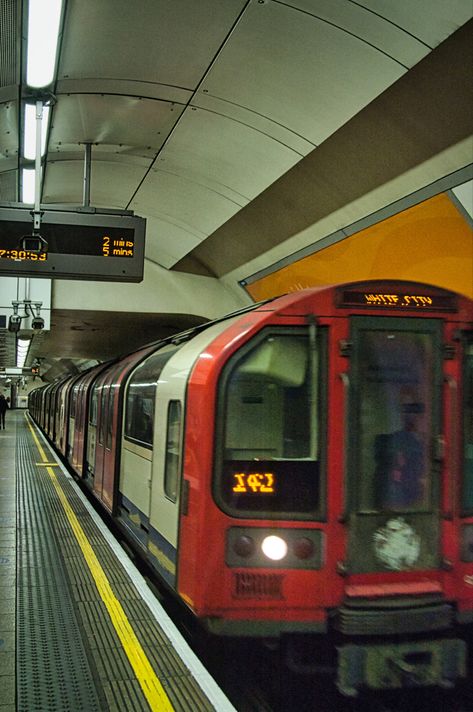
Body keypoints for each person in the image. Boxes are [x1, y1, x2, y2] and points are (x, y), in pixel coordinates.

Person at [374, 402, 426, 509]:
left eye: (415, 413)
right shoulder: (396, 440)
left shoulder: (423, 441)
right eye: (407, 412)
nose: (411, 417)